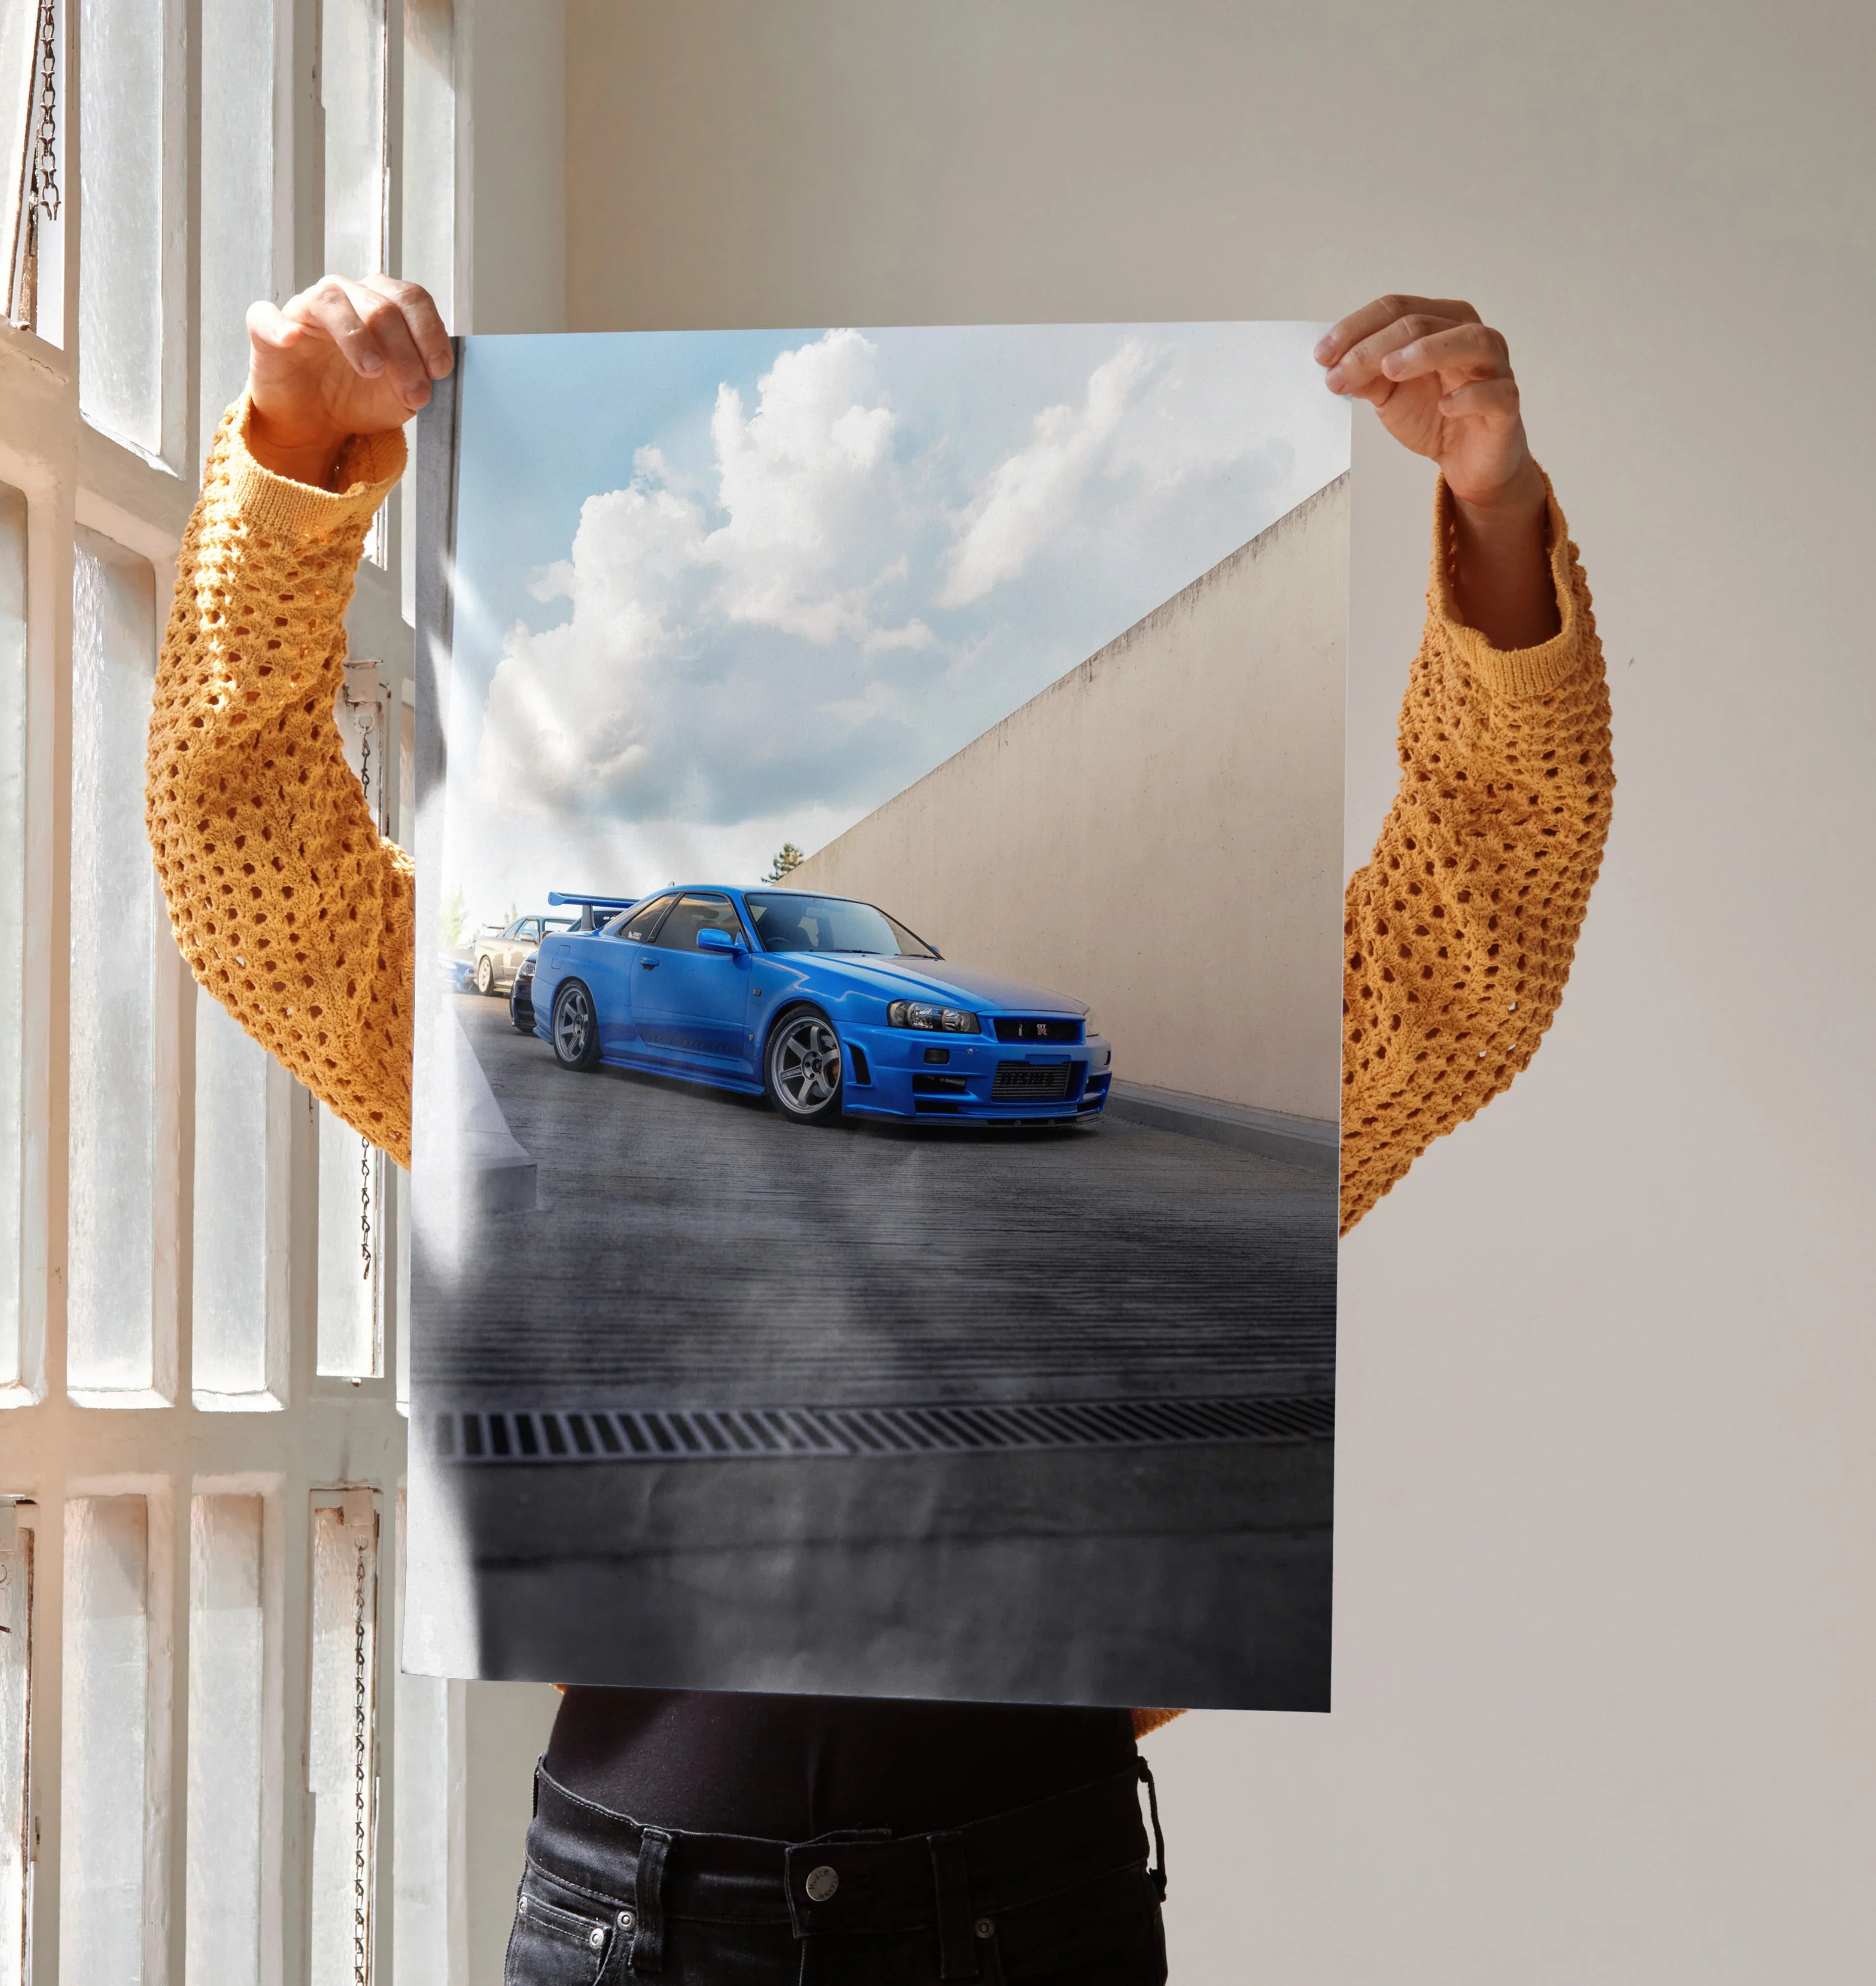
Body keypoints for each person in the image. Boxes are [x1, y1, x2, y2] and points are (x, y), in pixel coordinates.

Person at [147, 281, 1611, 1982]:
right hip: (638, 1918)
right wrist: (294, 460)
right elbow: (248, 870)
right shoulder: (522, 1095)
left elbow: (1473, 947)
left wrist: (1494, 514)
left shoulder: (1090, 1148)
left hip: (1027, 1903)